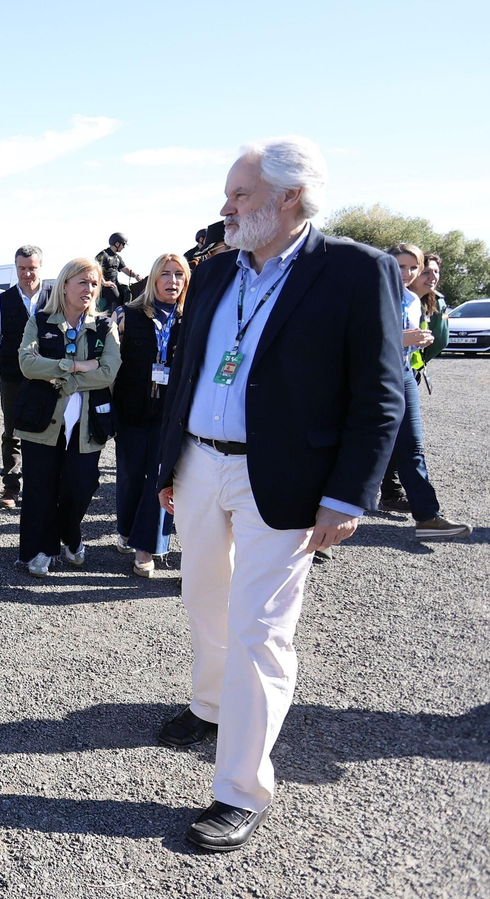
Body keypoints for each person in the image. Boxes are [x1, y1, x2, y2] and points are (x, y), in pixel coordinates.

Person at [152, 137, 407, 851]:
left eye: (239, 195)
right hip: (201, 464)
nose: (226, 207)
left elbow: (380, 394)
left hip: (289, 479)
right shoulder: (213, 271)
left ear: (288, 197)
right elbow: (191, 370)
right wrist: (169, 467)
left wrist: (348, 496)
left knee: (260, 629)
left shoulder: (357, 271)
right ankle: (209, 707)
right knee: (202, 599)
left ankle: (240, 789)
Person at [14, 258, 122, 576]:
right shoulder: (41, 320)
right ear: (65, 286)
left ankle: (71, 538)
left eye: (94, 283)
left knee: (79, 485)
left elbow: (108, 371)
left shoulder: (105, 326)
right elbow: (26, 364)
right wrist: (73, 366)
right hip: (42, 419)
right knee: (39, 487)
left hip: (88, 422)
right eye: (83, 282)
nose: (89, 289)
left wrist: (57, 371)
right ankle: (40, 551)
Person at [374, 243, 470, 538]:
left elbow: (404, 340)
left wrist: (418, 341)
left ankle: (428, 517)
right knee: (357, 445)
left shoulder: (414, 300)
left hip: (402, 374)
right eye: (399, 266)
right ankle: (318, 518)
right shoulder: (371, 291)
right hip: (372, 378)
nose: (407, 273)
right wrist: (399, 339)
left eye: (412, 267)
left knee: (412, 446)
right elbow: (356, 340)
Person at [111, 253, 187, 575]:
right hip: (130, 412)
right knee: (129, 477)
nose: (173, 281)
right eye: (166, 274)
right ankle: (127, 530)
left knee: (159, 479)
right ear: (154, 279)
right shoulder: (127, 315)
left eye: (179, 275)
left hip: (169, 416)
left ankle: (147, 548)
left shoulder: (191, 319)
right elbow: (111, 367)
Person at [0, 246, 50, 510]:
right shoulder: (1, 302)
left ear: (41, 267)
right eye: (22, 268)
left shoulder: (56, 297)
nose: (27, 274)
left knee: (49, 430)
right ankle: (11, 487)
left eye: (32, 268)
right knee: (12, 432)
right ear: (15, 268)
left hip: (50, 376)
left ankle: (44, 486)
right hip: (13, 378)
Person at [415, 253, 451, 369]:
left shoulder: (438, 302)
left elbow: (441, 339)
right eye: (426, 272)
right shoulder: (394, 298)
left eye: (436, 272)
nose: (433, 277)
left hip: (412, 370)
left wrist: (420, 362)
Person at [96, 232, 139, 312]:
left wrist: (137, 276)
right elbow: (95, 270)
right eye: (123, 244)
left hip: (115, 283)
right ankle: (112, 318)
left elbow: (125, 269)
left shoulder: (117, 257)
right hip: (104, 285)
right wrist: (104, 282)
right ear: (117, 244)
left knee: (126, 291)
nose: (124, 247)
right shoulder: (103, 255)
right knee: (116, 297)